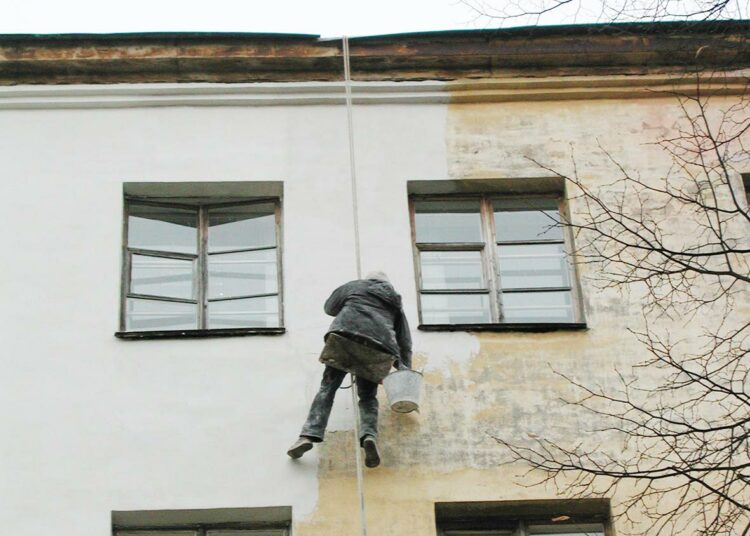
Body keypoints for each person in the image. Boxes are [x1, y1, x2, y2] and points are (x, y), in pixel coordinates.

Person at [286, 271, 412, 468]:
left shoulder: (354, 286)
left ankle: (308, 436)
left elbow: (329, 308)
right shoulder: (395, 302)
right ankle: (369, 436)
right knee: (368, 397)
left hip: (344, 337)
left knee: (327, 388)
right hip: (379, 348)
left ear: (369, 279)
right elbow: (404, 339)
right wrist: (404, 367)